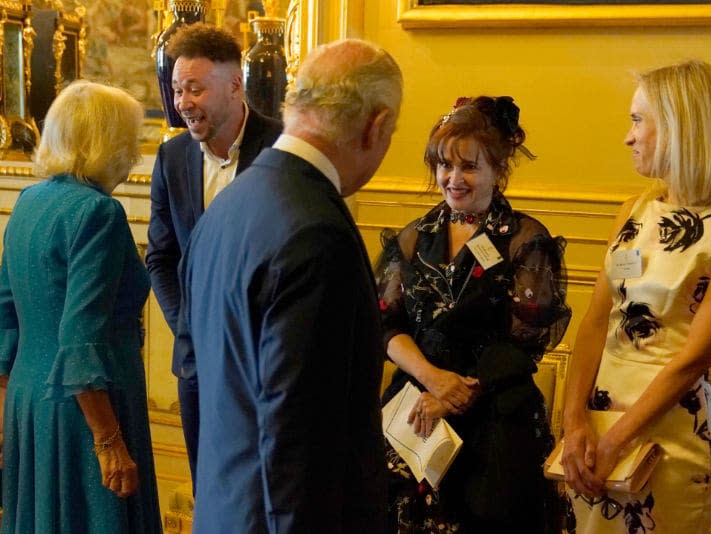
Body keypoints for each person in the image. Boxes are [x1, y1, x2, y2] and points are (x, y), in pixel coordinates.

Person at [179, 38, 403, 533]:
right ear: (377, 126)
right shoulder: (318, 234)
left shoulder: (225, 209)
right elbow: (301, 440)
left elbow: (198, 372)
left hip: (224, 513)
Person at [559, 60, 711, 533]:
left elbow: (692, 360)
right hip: (597, 428)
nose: (627, 137)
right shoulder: (633, 210)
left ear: (680, 128)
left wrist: (619, 439)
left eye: (637, 120)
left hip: (669, 433)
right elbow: (596, 321)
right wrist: (574, 421)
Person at [376, 95, 572, 533]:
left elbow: (524, 341)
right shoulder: (414, 237)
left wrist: (454, 393)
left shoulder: (524, 239)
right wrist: (431, 379)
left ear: (498, 171)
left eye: (469, 166)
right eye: (444, 165)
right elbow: (388, 325)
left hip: (493, 414)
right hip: (416, 406)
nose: (453, 178)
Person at [0, 80, 161, 532]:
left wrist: (5, 414)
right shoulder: (97, 213)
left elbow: (5, 312)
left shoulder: (30, 201)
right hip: (85, 412)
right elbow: (80, 337)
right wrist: (109, 440)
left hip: (29, 401)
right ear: (106, 141)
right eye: (127, 138)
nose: (132, 152)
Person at [145, 22, 282, 491]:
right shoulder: (172, 158)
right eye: (178, 89)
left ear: (235, 86)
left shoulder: (282, 150)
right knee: (210, 490)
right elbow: (160, 257)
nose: (183, 103)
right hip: (198, 366)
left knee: (266, 492)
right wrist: (189, 323)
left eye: (196, 89)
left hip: (265, 364)